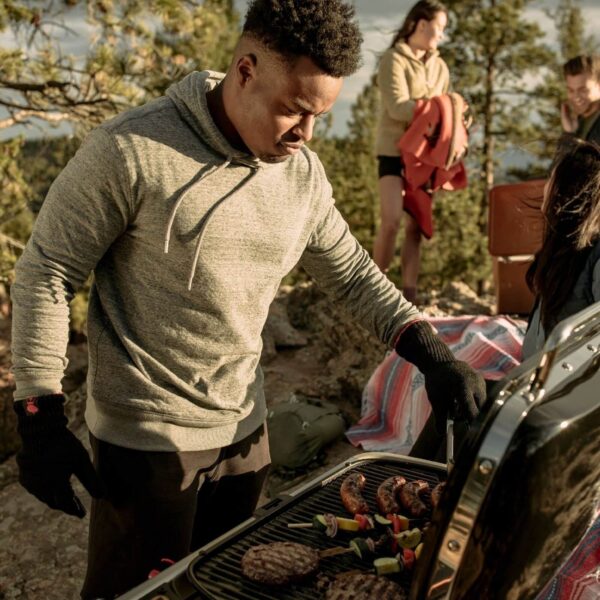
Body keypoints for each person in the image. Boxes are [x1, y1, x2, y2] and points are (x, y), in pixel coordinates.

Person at [10, 1, 486, 598]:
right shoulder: (130, 151)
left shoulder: (301, 175)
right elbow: (47, 269)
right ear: (244, 71)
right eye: (294, 110)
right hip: (147, 441)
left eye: (321, 115)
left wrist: (429, 350)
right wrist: (38, 415)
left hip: (245, 431)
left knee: (225, 586)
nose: (307, 135)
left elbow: (353, 275)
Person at [523, 140, 600, 599]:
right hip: (542, 398)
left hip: (573, 418)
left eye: (553, 177)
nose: (545, 186)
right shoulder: (562, 252)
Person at [372, 0, 451, 303]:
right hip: (392, 151)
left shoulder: (440, 67)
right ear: (421, 25)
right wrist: (438, 110)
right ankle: (375, 288)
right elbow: (396, 107)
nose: (441, 36)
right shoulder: (393, 59)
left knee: (415, 228)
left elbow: (443, 112)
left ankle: (409, 295)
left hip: (425, 157)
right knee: (391, 220)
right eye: (439, 28)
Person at [559, 54, 600, 148]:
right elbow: (563, 162)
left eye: (583, 90)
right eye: (571, 90)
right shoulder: (579, 123)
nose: (576, 97)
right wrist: (569, 133)